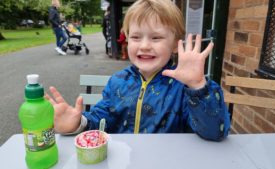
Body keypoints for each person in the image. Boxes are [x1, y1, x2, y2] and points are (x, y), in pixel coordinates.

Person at [46, 0, 230, 141]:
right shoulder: (117, 82)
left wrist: (198, 87)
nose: (144, 46)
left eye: (156, 37)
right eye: (135, 37)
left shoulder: (184, 88)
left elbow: (215, 133)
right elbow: (101, 120)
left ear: (175, 45)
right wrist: (79, 123)